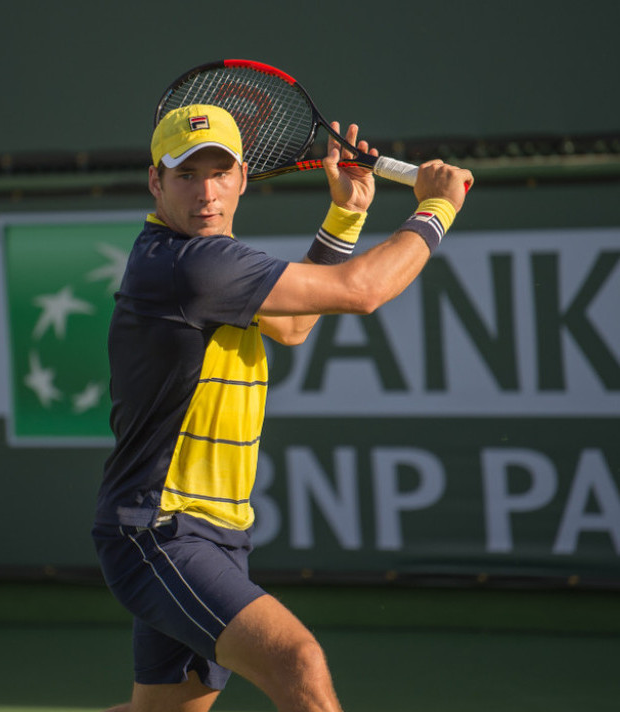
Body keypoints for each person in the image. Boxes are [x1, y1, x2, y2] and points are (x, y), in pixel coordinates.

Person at [92, 103, 472, 712]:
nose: (206, 193)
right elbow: (362, 291)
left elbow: (293, 328)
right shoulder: (191, 265)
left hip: (217, 532)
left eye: (219, 173)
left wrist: (346, 213)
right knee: (299, 663)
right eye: (186, 176)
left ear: (243, 176)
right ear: (155, 183)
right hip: (161, 530)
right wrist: (437, 207)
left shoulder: (210, 264)